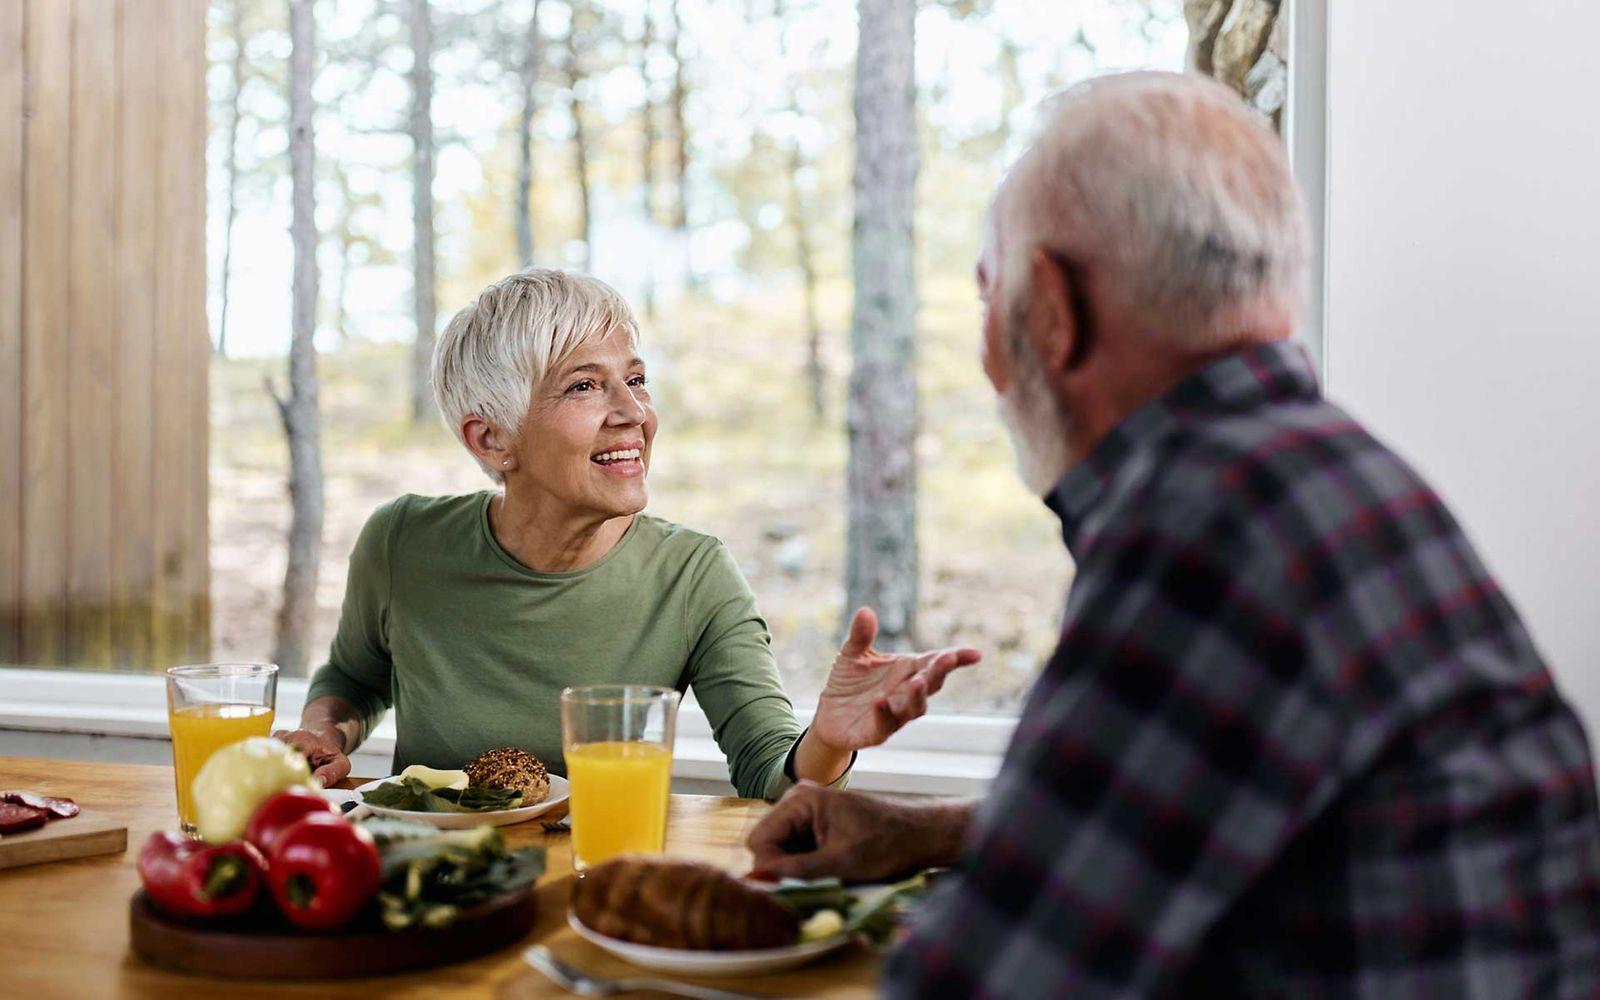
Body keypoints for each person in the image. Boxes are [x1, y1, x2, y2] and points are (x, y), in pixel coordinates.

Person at [747, 71, 1600, 995]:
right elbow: (1224, 825)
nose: (989, 355)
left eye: (989, 296)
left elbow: (979, 983)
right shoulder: (1311, 477)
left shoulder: (1212, 528)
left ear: (1053, 307)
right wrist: (936, 832)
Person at [274, 268, 979, 799]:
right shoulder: (403, 543)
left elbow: (772, 770)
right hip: (442, 887)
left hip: (600, 883)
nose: (633, 413)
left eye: (635, 380)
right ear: (492, 440)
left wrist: (828, 739)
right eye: (584, 386)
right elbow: (356, 678)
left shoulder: (693, 574)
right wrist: (325, 734)